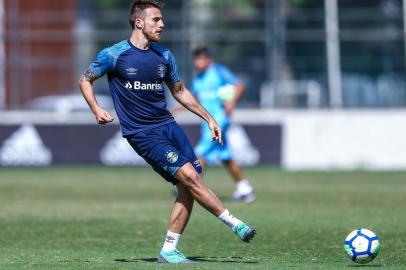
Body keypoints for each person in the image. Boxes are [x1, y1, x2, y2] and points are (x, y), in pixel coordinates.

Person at [78, 0, 256, 264]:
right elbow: (85, 79)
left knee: (189, 182)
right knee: (189, 177)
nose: (162, 24)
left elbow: (180, 92)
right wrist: (96, 108)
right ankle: (236, 223)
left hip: (169, 126)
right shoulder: (114, 55)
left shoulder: (164, 56)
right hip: (142, 133)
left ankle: (169, 249)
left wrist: (209, 118)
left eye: (162, 20)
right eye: (156, 20)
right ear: (139, 22)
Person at [173, 47, 256, 202]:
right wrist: (175, 110)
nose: (197, 62)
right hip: (207, 122)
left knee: (200, 153)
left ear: (209, 60)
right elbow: (192, 99)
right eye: (195, 59)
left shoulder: (219, 71)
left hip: (219, 120)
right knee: (226, 157)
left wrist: (231, 102)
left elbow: (239, 85)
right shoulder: (198, 79)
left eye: (200, 59)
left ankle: (188, 185)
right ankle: (245, 189)